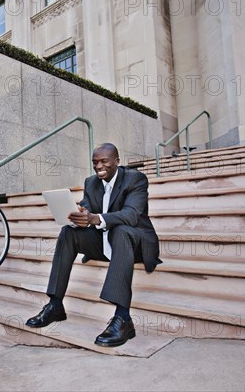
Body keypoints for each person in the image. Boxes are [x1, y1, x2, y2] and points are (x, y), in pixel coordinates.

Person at [26, 143, 161, 347]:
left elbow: (131, 215)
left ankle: (123, 317)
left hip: (136, 243)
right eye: (95, 162)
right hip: (106, 241)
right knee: (68, 232)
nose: (98, 166)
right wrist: (80, 214)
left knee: (122, 231)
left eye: (104, 161)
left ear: (117, 161)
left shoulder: (135, 179)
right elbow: (88, 206)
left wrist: (96, 218)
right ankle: (55, 304)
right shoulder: (91, 182)